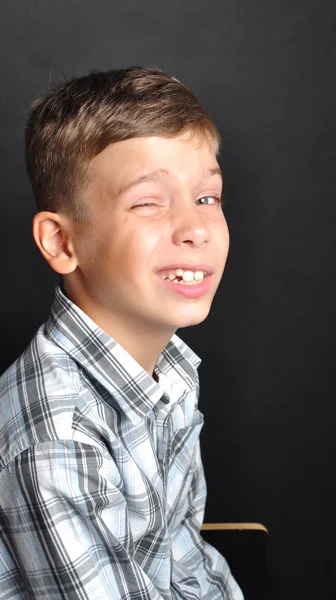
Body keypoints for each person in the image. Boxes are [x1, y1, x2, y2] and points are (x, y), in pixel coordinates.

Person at [0, 67, 243, 599]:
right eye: (148, 203)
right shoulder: (59, 442)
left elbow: (184, 563)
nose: (196, 228)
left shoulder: (169, 371)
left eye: (207, 198)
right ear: (62, 243)